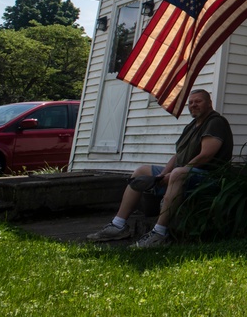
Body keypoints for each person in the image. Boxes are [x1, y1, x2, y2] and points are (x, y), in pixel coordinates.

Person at [87, 89, 233, 248]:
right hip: (186, 173)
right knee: (141, 171)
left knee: (178, 173)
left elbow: (206, 155)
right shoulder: (191, 126)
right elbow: (178, 156)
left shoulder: (216, 122)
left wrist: (173, 175)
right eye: (190, 102)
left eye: (198, 101)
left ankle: (159, 233)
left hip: (210, 178)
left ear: (209, 103)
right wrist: (162, 175)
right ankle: (118, 225)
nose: (193, 105)